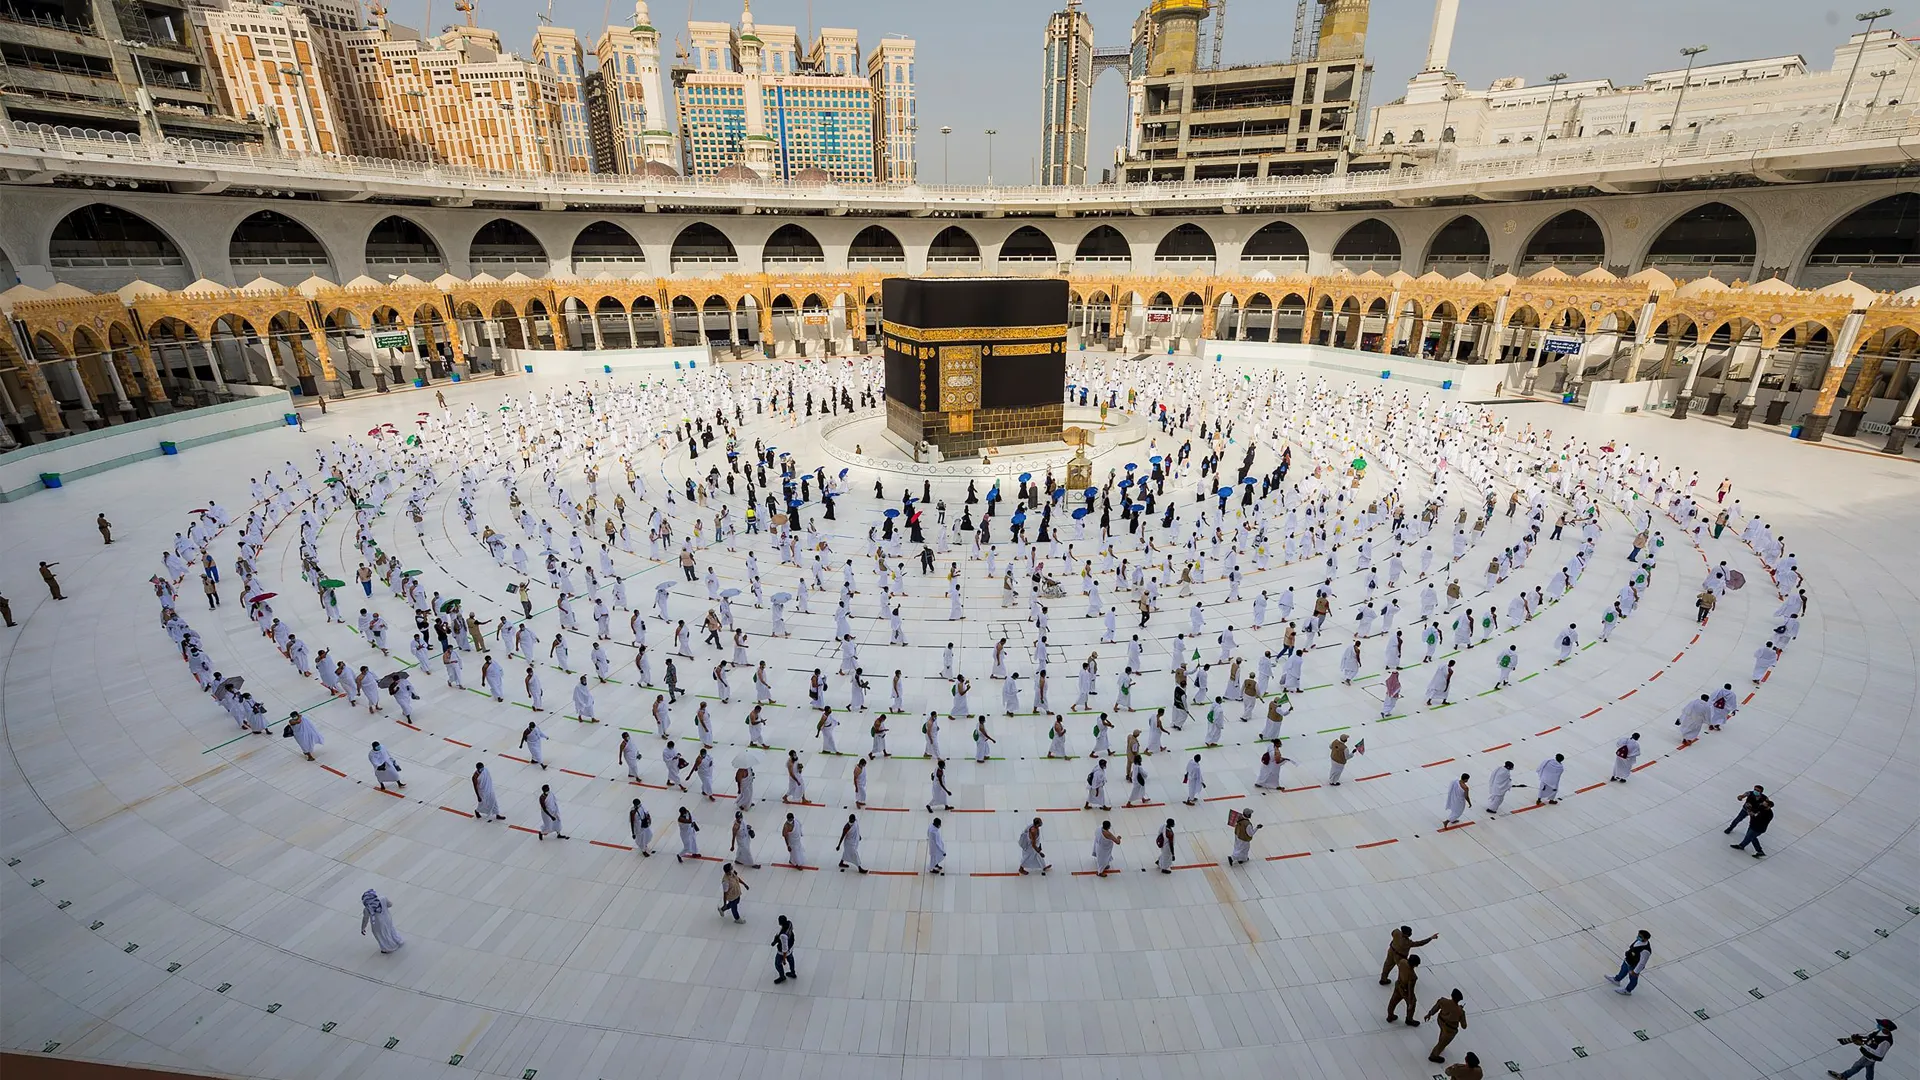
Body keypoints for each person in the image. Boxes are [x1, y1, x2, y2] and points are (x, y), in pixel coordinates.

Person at [1827, 1018, 1897, 1079]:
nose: (1878, 1025)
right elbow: (1869, 1036)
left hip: (1870, 1057)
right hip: (1869, 1056)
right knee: (1869, 1069)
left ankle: (1843, 1076)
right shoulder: (1880, 1032)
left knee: (1857, 1066)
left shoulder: (1886, 1041)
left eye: (1881, 1025)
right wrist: (1859, 1036)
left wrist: (1863, 1045)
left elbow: (1879, 1054)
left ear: (1886, 1028)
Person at [1424, 988, 1467, 1063]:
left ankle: (1440, 1042)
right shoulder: (1460, 1011)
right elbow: (1464, 1026)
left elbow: (1435, 1008)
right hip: (1450, 1029)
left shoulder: (1443, 1001)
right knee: (1443, 1043)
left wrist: (1429, 1014)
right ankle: (1434, 1055)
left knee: (1442, 1033)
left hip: (1441, 1021)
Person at [1607, 930, 1652, 994]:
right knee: (1623, 970)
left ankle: (1628, 990)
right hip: (1628, 961)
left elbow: (1642, 963)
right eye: (1638, 935)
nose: (1638, 937)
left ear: (1645, 939)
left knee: (1633, 978)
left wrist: (1635, 972)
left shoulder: (1645, 951)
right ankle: (1617, 980)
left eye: (1640, 936)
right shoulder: (1638, 941)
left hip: (1634, 966)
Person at [359, 889, 404, 953]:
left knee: (382, 935)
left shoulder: (367, 909)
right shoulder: (383, 899)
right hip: (387, 918)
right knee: (391, 930)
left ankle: (389, 947)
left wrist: (363, 928)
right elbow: (390, 904)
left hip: (377, 924)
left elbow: (365, 919)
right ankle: (398, 940)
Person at [1387, 953, 1421, 1025]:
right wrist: (1410, 1001)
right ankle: (1409, 1019)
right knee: (1412, 1004)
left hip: (1398, 985)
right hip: (1405, 990)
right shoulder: (1413, 976)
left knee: (1393, 1001)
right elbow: (1410, 990)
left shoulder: (1402, 962)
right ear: (1414, 965)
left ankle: (1390, 1015)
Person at [772, 915, 797, 984]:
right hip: (791, 947)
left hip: (783, 952)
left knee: (777, 964)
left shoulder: (783, 936)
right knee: (791, 960)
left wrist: (783, 958)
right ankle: (793, 973)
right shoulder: (789, 923)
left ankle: (782, 976)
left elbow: (784, 948)